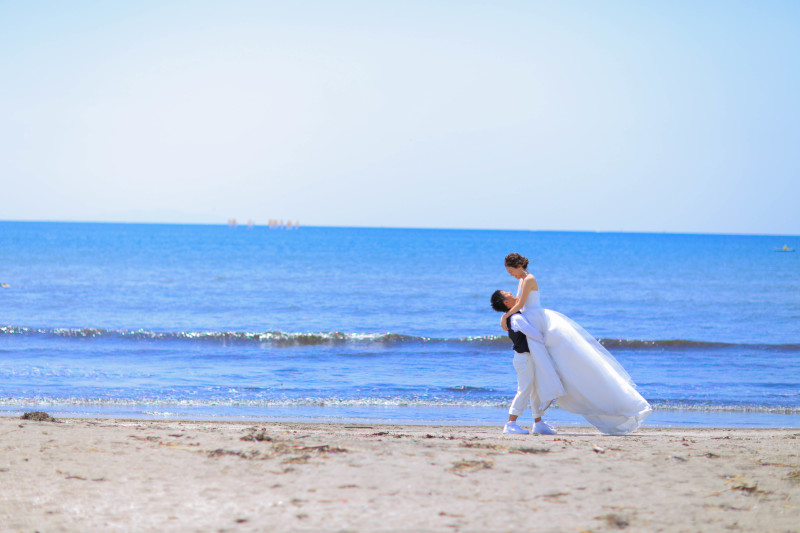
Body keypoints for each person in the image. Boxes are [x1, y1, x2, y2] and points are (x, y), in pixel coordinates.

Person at [492, 253, 652, 435]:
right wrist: (508, 317)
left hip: (540, 322)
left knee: (565, 368)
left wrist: (505, 316)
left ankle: (537, 419)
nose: (510, 275)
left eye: (510, 271)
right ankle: (537, 421)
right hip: (533, 323)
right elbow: (519, 306)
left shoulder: (529, 279)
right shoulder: (521, 281)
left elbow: (520, 303)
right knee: (538, 378)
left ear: (518, 266)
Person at [491, 291, 565, 435]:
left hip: (527, 358)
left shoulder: (514, 315)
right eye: (507, 293)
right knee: (524, 389)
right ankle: (510, 423)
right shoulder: (517, 318)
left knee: (534, 391)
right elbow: (536, 335)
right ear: (506, 302)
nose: (511, 293)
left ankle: (538, 423)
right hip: (523, 359)